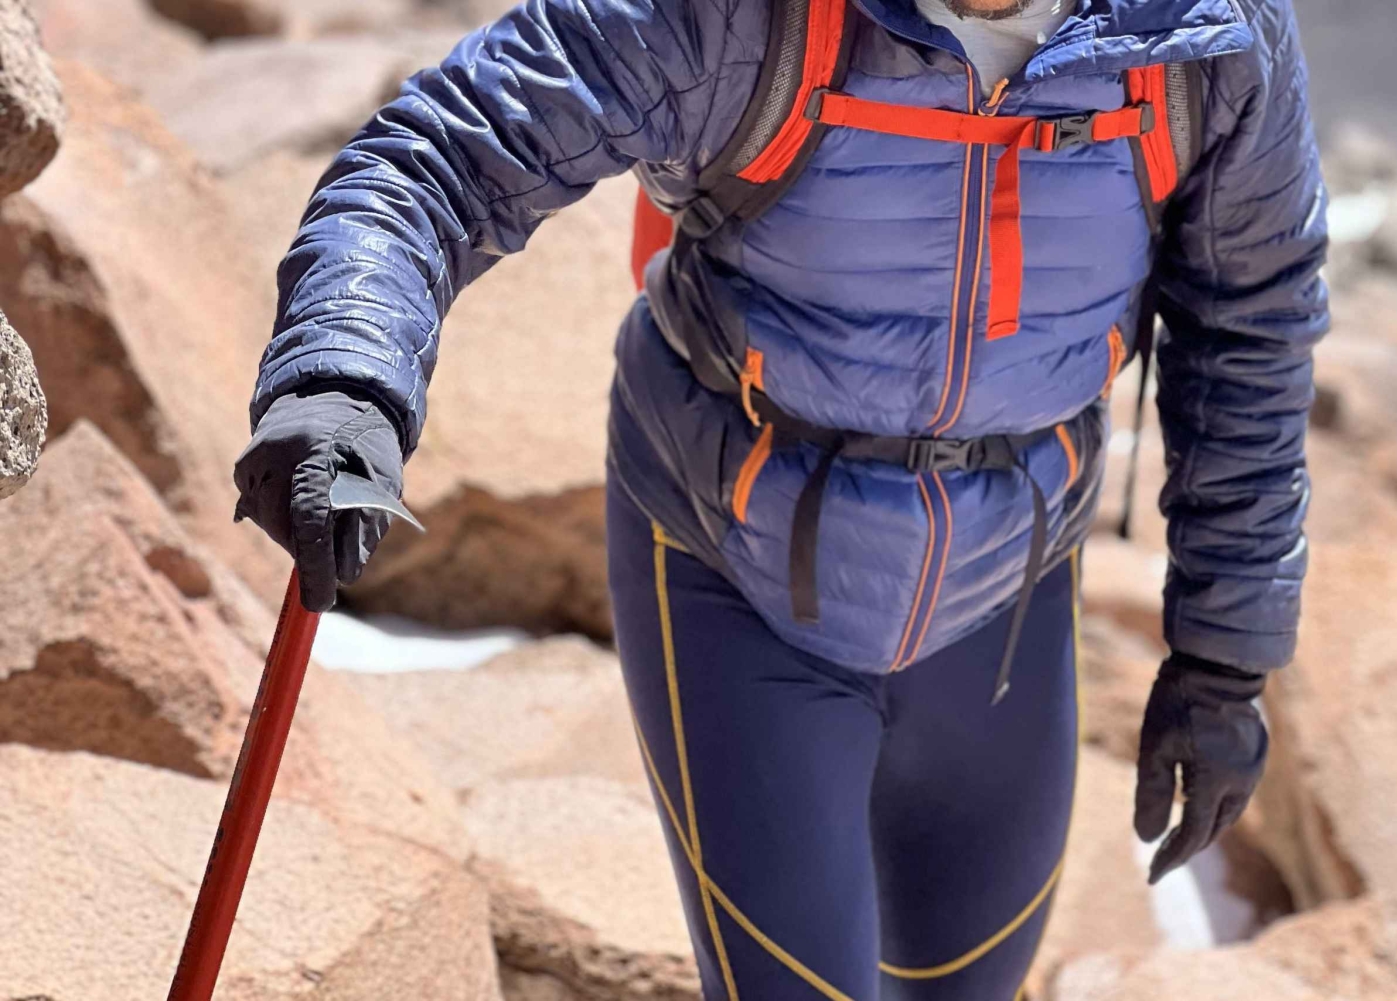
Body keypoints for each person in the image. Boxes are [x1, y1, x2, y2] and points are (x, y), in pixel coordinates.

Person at [232, 0, 1328, 994]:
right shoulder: (735, 21)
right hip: (733, 567)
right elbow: (437, 161)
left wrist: (1223, 658)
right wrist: (344, 377)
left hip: (1009, 580)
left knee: (961, 984)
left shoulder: (1202, 38)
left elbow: (1251, 324)